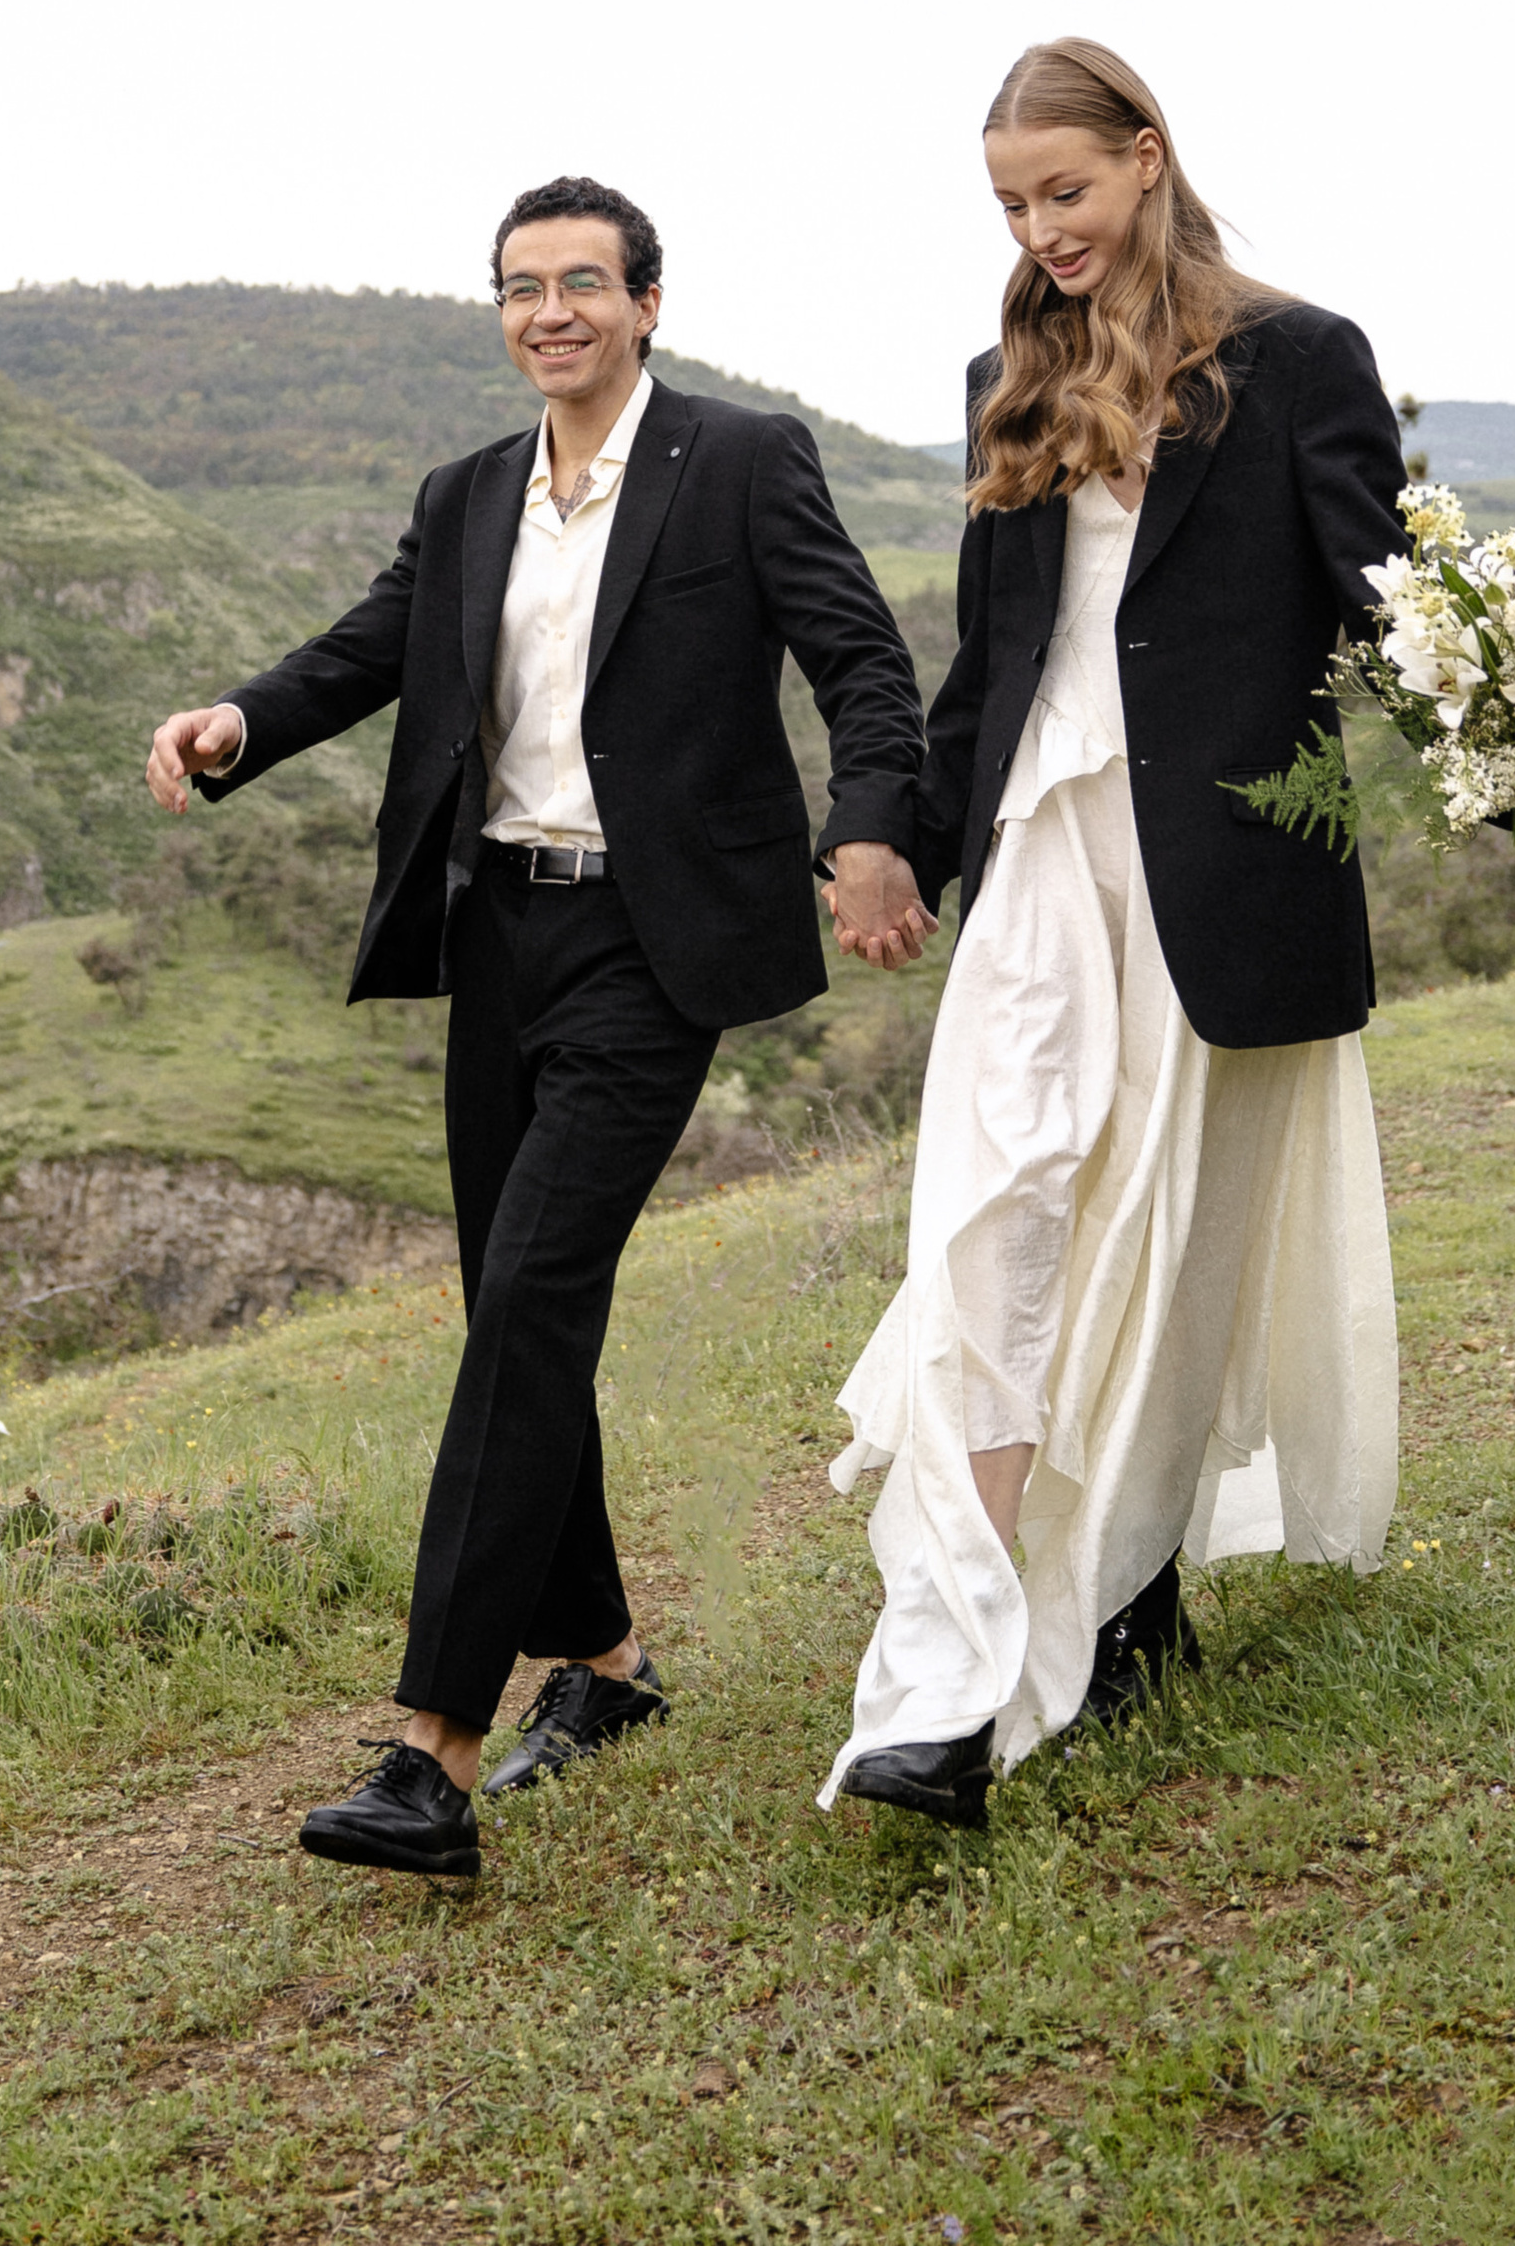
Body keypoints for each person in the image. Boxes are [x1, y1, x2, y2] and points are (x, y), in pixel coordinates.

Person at [145, 174, 930, 1881]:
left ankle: (431, 1747)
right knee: (518, 1301)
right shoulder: (471, 491)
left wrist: (869, 827)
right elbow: (371, 650)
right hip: (499, 928)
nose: (550, 311)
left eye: (584, 283)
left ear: (648, 301)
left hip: (658, 939)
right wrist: (237, 722)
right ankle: (609, 1663)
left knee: (529, 1293)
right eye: (521, 287)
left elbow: (863, 661)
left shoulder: (740, 461)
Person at [822, 40, 1404, 1828]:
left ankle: (1126, 1585)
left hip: (1218, 882)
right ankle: (951, 1678)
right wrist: (884, 834)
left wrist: (1513, 746)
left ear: (1147, 159)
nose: (1039, 230)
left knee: (1156, 1244)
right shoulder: (1012, 376)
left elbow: (1391, 607)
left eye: (1062, 191)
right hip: (1037, 862)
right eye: (1011, 203)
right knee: (995, 1218)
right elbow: (988, 664)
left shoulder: (1301, 359)